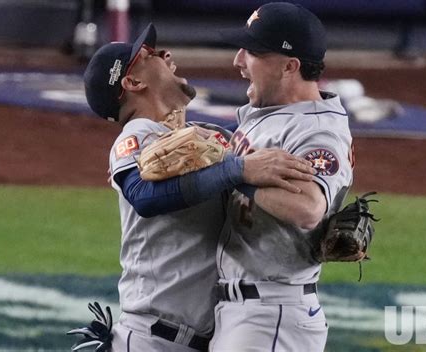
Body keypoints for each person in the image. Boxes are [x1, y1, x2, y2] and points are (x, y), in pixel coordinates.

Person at [80, 22, 316, 352]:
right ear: (132, 82)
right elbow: (144, 196)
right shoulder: (138, 136)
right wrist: (239, 168)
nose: (167, 55)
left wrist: (321, 229)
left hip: (216, 337)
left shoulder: (206, 138)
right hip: (153, 339)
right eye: (151, 55)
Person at [210, 3, 355, 352]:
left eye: (253, 52)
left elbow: (308, 208)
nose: (239, 61)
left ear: (290, 66)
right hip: (245, 311)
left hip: (271, 316)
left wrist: (234, 172)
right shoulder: (275, 113)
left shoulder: (317, 131)